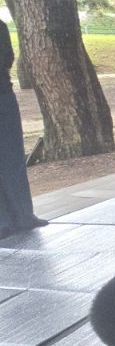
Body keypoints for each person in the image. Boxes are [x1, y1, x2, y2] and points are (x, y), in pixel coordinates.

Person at [0, 19, 45, 240]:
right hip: (3, 94)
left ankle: (18, 217)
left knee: (13, 158)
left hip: (3, 95)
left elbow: (7, 58)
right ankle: (13, 218)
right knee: (11, 158)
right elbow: (6, 58)